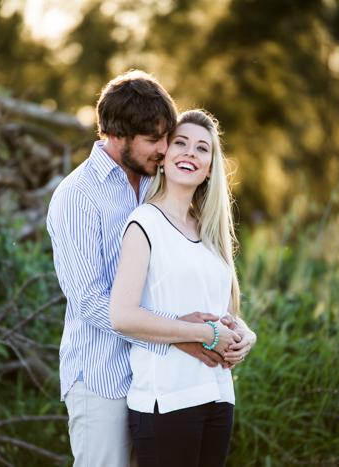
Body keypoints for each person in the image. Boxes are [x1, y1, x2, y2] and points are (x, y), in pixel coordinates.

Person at [47, 70, 255, 467]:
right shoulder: (76, 197)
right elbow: (91, 302)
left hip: (159, 381)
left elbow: (184, 283)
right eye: (153, 140)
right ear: (116, 134)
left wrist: (231, 329)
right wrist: (180, 336)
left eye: (167, 138)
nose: (164, 149)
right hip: (101, 376)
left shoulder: (155, 184)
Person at [108, 109, 252, 467]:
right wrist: (205, 333)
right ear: (164, 156)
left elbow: (223, 311)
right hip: (167, 401)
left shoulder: (208, 232)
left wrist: (245, 335)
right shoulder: (144, 222)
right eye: (181, 143)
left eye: (202, 148)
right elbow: (121, 315)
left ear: (209, 168)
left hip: (218, 396)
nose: (190, 152)